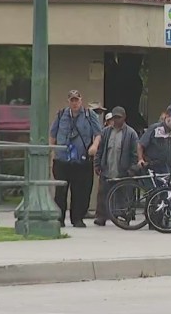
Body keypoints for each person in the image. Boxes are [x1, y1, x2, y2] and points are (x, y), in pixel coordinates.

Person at [50, 89, 102, 228]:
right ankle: (59, 218)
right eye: (72, 100)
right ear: (68, 101)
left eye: (76, 100)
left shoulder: (89, 114)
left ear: (81, 100)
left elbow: (98, 133)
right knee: (61, 191)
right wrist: (52, 152)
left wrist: (94, 146)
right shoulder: (61, 115)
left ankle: (77, 218)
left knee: (80, 191)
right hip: (63, 159)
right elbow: (53, 135)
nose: (74, 103)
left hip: (81, 159)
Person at [93, 106, 139, 226]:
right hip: (107, 168)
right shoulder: (106, 132)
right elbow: (100, 150)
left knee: (123, 195)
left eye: (119, 117)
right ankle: (101, 216)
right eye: (114, 117)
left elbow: (135, 153)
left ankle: (124, 216)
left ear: (124, 118)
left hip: (123, 170)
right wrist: (97, 164)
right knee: (103, 193)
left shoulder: (131, 134)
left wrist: (132, 169)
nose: (116, 120)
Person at [138, 107, 171, 174]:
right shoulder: (155, 128)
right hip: (153, 168)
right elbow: (140, 144)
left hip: (168, 169)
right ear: (166, 116)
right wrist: (140, 159)